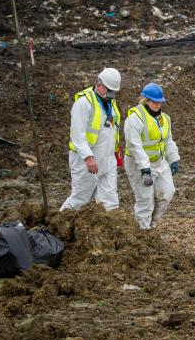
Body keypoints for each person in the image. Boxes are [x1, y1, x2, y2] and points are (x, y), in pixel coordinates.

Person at [61, 68, 122, 211]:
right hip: (87, 161)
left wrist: (115, 153)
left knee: (110, 201)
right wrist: (88, 157)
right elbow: (77, 135)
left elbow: (111, 130)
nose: (112, 95)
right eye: (109, 90)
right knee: (80, 199)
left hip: (107, 160)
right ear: (98, 84)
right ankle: (55, 226)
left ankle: (109, 230)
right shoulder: (84, 103)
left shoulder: (110, 102)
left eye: (114, 91)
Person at [123, 83, 180, 230]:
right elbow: (135, 146)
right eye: (154, 101)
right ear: (145, 100)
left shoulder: (165, 118)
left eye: (160, 101)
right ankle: (143, 230)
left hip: (159, 162)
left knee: (167, 193)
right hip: (138, 164)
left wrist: (173, 159)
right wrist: (144, 169)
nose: (158, 104)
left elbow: (168, 140)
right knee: (145, 200)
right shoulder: (135, 119)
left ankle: (152, 225)